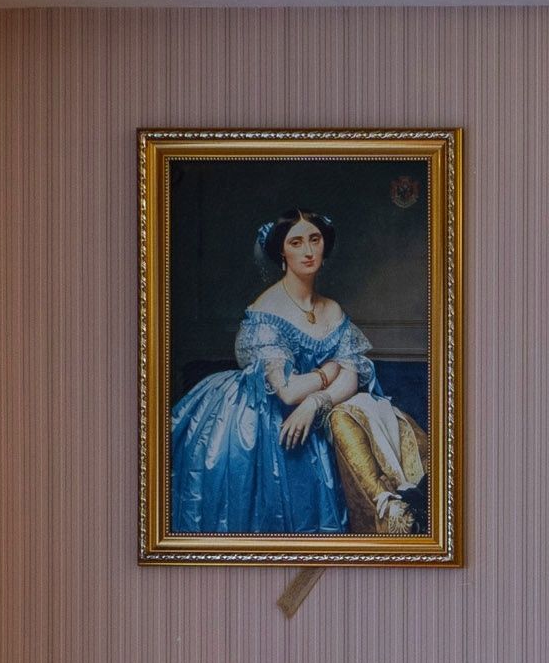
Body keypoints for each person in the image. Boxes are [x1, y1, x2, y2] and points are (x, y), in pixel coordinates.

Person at [163, 210, 423, 536]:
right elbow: (287, 391)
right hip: (259, 418)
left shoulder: (332, 309)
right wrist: (328, 370)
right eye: (296, 243)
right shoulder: (267, 309)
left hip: (312, 414)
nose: (308, 251)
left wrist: (316, 401)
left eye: (315, 240)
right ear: (282, 253)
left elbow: (352, 376)